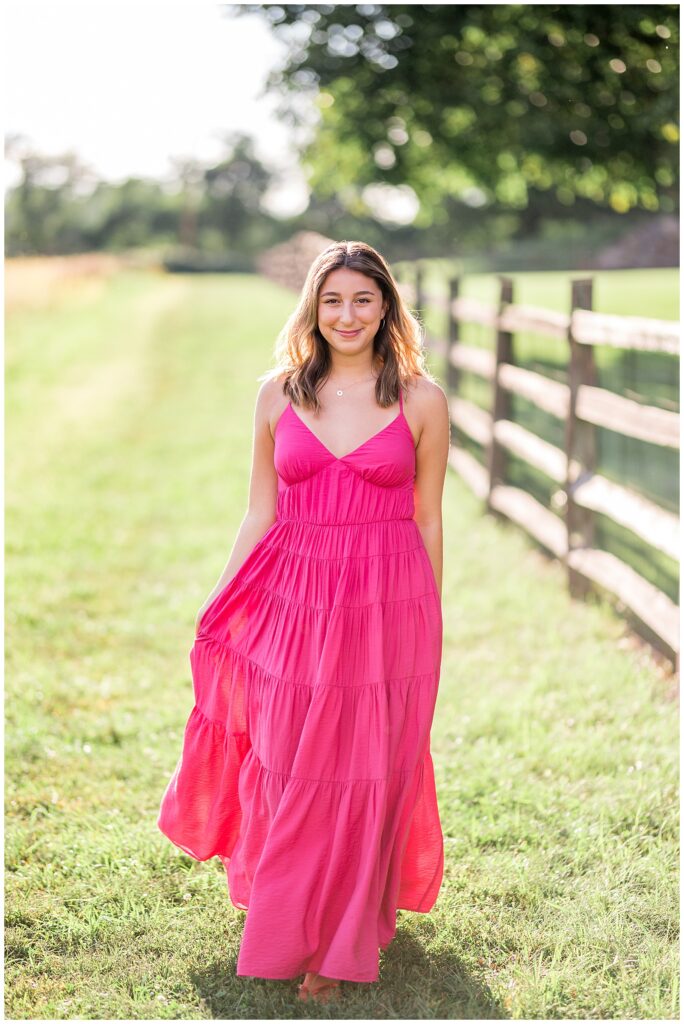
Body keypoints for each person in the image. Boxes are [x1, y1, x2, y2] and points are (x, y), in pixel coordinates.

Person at [157, 239, 450, 1004]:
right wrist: (220, 599)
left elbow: (428, 519)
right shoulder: (276, 394)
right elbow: (260, 510)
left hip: (387, 611)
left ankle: (335, 948)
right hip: (293, 600)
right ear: (312, 308)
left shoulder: (421, 400)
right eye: (333, 300)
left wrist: (430, 622)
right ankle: (288, 919)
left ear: (386, 305)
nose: (347, 315)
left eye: (363, 299)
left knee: (364, 767)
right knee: (288, 760)